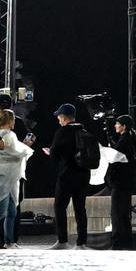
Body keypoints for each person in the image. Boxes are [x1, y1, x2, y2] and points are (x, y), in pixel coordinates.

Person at [43, 103, 99, 249]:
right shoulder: (84, 130)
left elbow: (55, 154)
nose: (58, 120)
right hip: (84, 175)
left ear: (63, 117)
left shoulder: (62, 132)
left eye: (59, 117)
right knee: (80, 208)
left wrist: (50, 153)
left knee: (60, 206)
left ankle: (63, 241)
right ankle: (81, 243)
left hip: (67, 174)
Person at [0, 109, 32, 247]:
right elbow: (16, 152)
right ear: (10, 121)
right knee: (2, 211)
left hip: (3, 176)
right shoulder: (9, 135)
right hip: (8, 177)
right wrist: (27, 146)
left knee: (10, 210)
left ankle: (9, 240)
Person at [103, 115, 136, 249]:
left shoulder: (125, 141)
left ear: (124, 126)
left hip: (120, 182)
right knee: (124, 213)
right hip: (126, 182)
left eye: (117, 124)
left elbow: (117, 159)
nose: (115, 126)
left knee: (117, 213)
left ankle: (118, 243)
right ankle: (126, 242)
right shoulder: (129, 139)